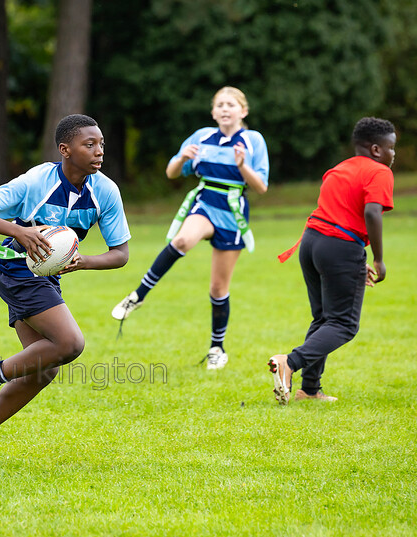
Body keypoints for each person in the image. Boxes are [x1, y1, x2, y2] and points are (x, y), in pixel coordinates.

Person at [0, 114, 131, 466]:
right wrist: (20, 232)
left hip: (46, 276)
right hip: (15, 268)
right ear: (65, 150)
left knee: (44, 367)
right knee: (70, 343)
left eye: (101, 144)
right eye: (89, 145)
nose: (98, 151)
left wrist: (84, 261)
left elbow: (120, 254)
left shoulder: (105, 191)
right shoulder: (37, 181)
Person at [111, 86, 269, 369]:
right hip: (205, 201)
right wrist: (183, 157)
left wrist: (243, 166)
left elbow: (261, 187)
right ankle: (137, 297)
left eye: (230, 104)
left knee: (218, 288)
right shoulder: (202, 136)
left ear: (242, 111)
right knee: (183, 240)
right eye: (219, 104)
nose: (224, 109)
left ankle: (217, 349)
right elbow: (171, 172)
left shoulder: (253, 140)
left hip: (233, 211)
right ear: (212, 112)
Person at [269, 117, 396, 405]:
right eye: (391, 148)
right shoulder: (379, 172)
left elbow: (338, 214)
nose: (393, 155)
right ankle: (289, 362)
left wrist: (352, 256)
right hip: (336, 245)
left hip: (313, 242)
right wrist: (377, 258)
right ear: (376, 149)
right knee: (343, 324)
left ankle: (309, 390)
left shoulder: (339, 168)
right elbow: (372, 213)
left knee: (325, 319)